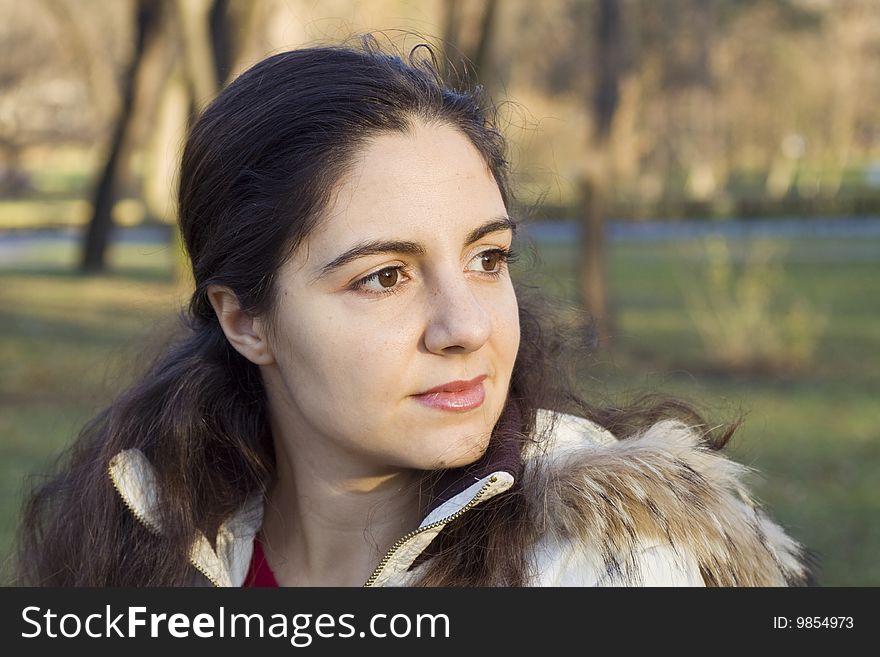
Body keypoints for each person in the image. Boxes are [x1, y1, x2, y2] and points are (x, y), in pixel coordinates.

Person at [16, 38, 811, 587]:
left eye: (487, 258)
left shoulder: (604, 566)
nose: (466, 326)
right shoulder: (145, 540)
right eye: (386, 276)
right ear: (245, 320)